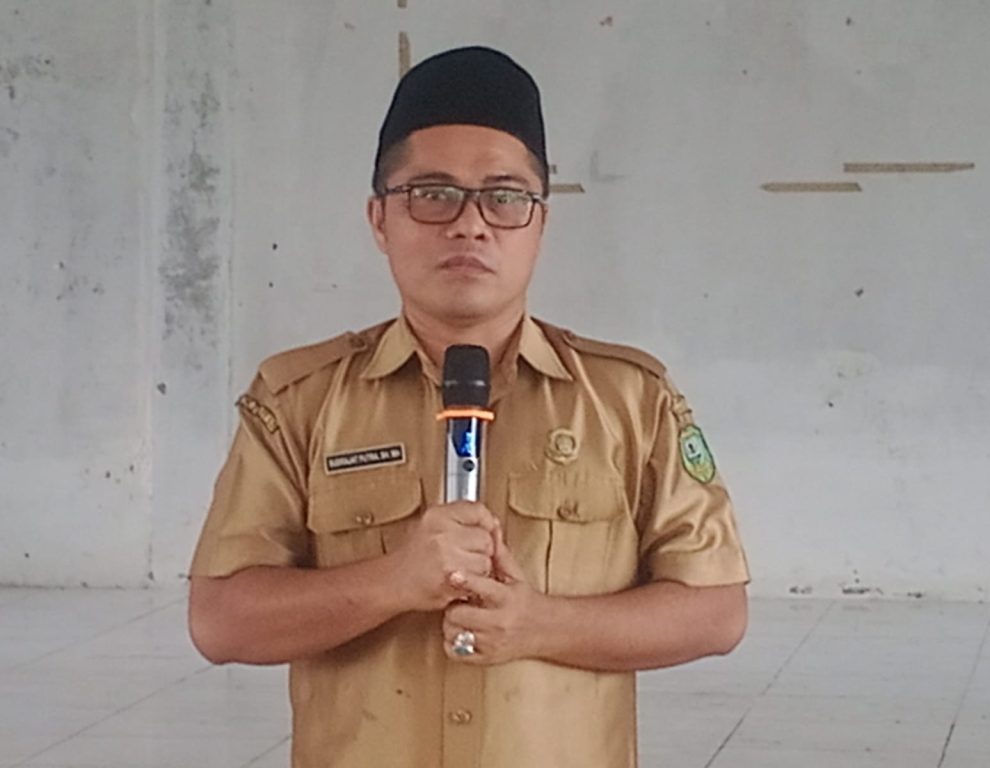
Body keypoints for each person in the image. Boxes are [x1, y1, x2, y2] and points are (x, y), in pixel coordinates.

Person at [188, 46, 749, 768]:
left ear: (540, 224)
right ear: (379, 219)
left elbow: (716, 611)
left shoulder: (629, 400)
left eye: (505, 197)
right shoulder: (299, 401)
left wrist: (540, 625)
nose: (470, 225)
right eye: (433, 193)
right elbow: (221, 622)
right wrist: (392, 581)